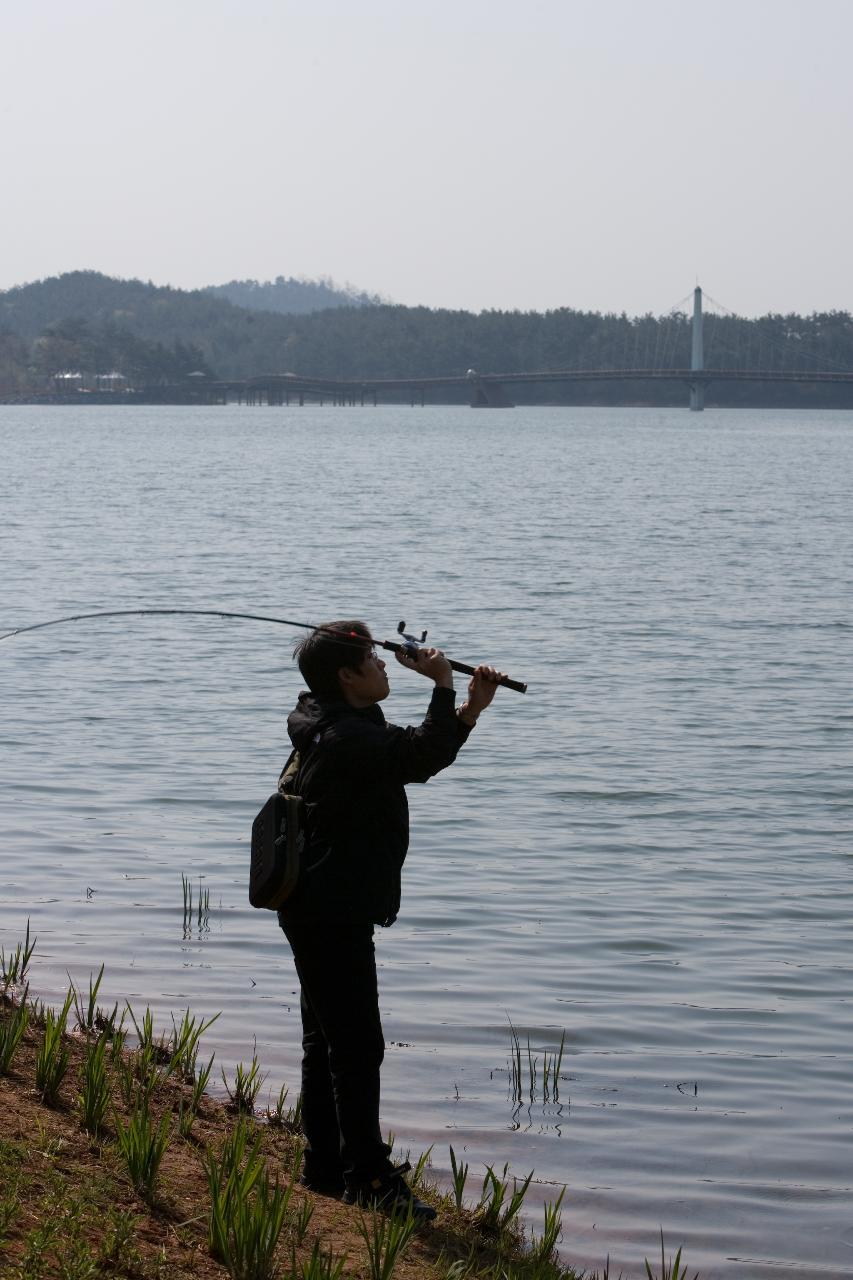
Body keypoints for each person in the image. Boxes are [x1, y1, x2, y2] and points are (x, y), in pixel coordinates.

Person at [278, 620, 503, 1218]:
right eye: (373, 663)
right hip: (329, 907)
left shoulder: (324, 715)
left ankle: (326, 1167)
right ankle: (370, 1181)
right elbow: (416, 755)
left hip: (317, 901)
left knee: (325, 1039)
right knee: (356, 1046)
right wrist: (441, 687)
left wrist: (468, 706)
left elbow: (411, 755)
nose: (385, 669)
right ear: (348, 676)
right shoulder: (346, 735)